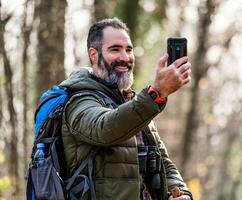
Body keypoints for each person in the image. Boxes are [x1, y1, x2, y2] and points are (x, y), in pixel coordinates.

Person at [60, 17, 193, 200]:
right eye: (115, 49)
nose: (125, 57)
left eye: (128, 49)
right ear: (94, 54)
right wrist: (157, 93)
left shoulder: (133, 103)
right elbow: (105, 128)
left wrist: (178, 191)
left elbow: (162, 162)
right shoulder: (79, 100)